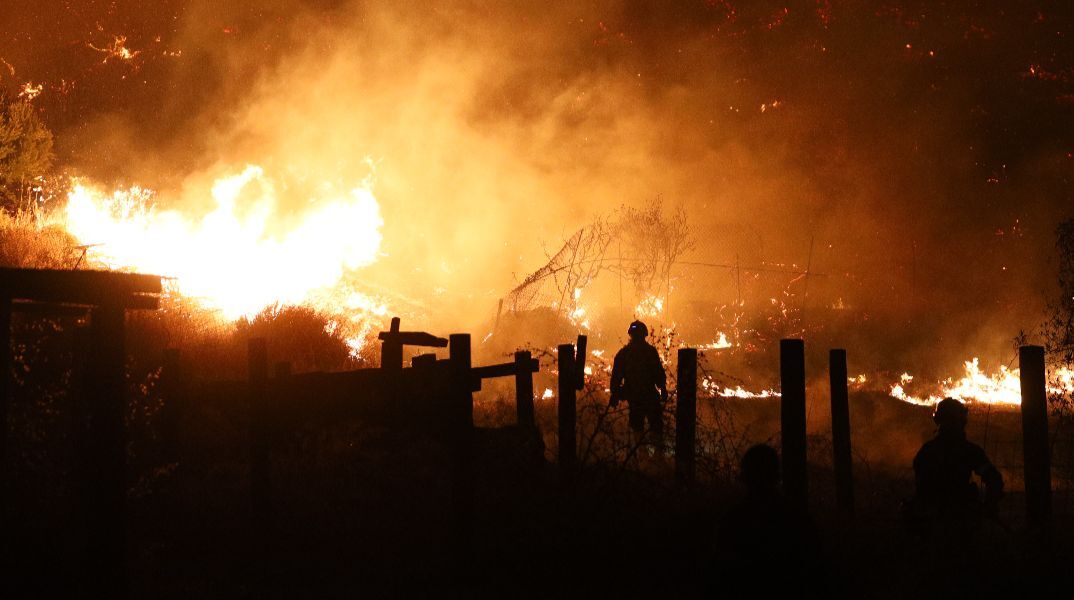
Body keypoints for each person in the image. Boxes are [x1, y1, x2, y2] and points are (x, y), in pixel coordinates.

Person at [709, 444, 824, 597]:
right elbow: (815, 573)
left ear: (745, 477)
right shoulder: (797, 518)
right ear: (776, 476)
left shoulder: (733, 520)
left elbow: (720, 576)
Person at [911, 397, 1004, 528]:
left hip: (933, 521)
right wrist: (989, 506)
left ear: (937, 420)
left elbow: (920, 485)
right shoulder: (970, 451)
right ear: (962, 421)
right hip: (961, 518)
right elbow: (994, 479)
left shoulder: (927, 451)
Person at [609, 320, 667, 450]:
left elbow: (616, 378)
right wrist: (663, 388)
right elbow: (658, 373)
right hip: (649, 396)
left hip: (634, 397)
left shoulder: (624, 354)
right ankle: (656, 459)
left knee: (638, 429)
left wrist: (615, 394)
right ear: (644, 334)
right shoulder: (650, 352)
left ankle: (642, 459)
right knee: (655, 427)